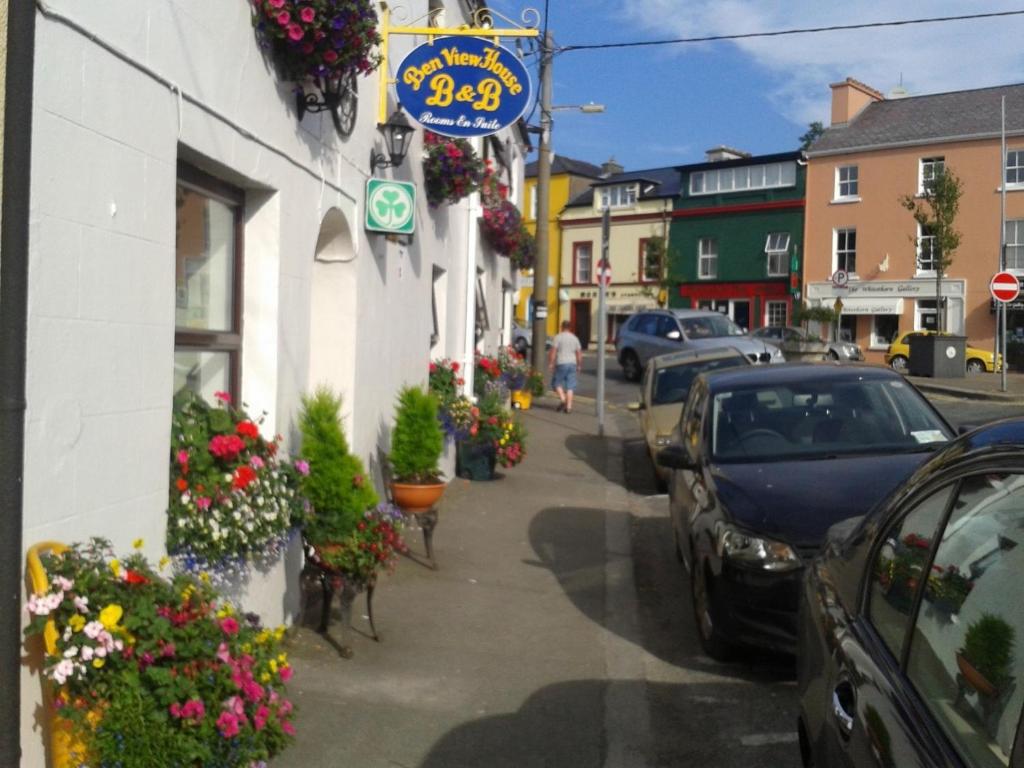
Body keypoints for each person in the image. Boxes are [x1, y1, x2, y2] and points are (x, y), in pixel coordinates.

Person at [548, 320, 582, 413]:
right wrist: (579, 365)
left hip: (561, 363)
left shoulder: (558, 337)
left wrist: (551, 363)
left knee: (556, 383)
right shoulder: (575, 338)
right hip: (572, 363)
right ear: (570, 327)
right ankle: (569, 407)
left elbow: (553, 352)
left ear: (561, 327)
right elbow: (579, 353)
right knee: (570, 386)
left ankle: (563, 399)